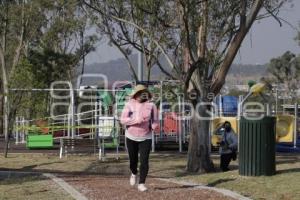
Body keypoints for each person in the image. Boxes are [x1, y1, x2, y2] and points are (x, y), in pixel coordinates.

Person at [120, 84, 159, 192]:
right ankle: (133, 173)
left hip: (146, 136)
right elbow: (123, 120)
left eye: (143, 93)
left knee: (144, 161)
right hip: (131, 136)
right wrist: (136, 120)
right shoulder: (129, 104)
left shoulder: (151, 106)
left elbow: (155, 120)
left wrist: (154, 127)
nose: (140, 95)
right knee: (133, 160)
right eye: (138, 93)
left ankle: (141, 183)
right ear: (135, 95)